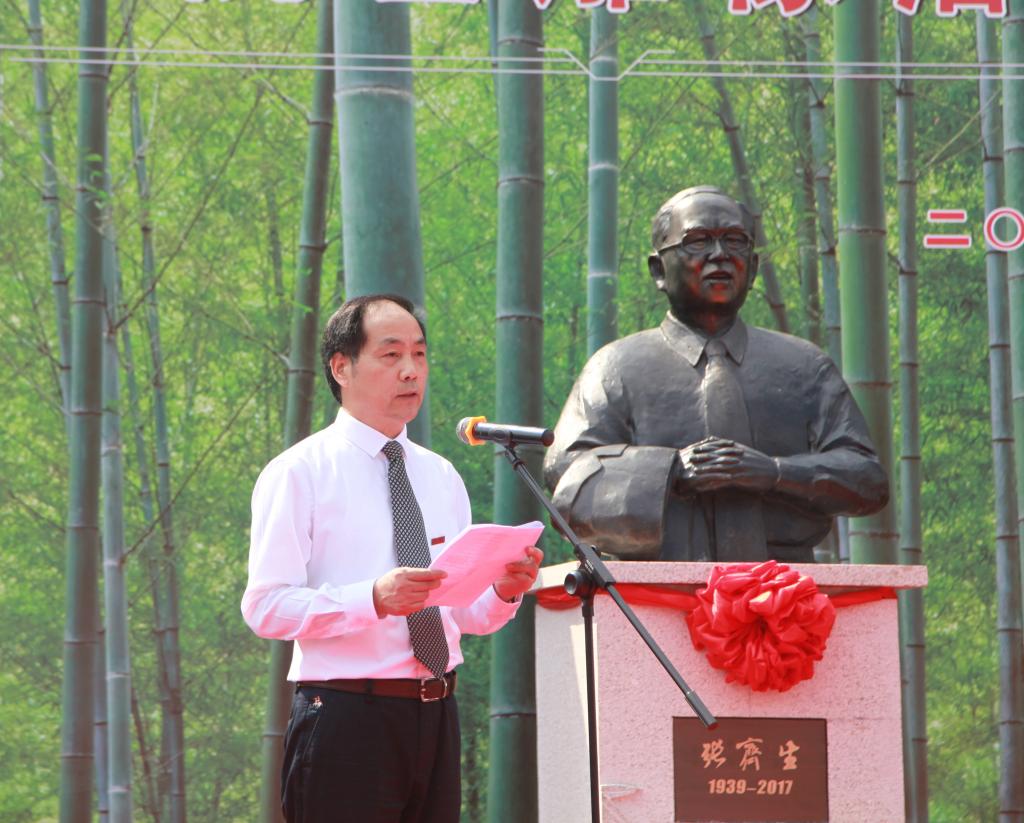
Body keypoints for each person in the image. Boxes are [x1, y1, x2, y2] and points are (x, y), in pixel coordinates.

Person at [242, 294, 543, 823]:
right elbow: (265, 607)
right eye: (391, 355)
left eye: (419, 354)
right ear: (342, 367)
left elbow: (460, 614)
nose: (411, 370)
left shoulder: (440, 475)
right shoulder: (299, 472)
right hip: (345, 720)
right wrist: (373, 599)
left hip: (436, 713)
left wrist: (503, 590)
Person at [543, 186, 888, 563]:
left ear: (752, 267)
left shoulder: (805, 367)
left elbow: (867, 478)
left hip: (788, 581)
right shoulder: (615, 367)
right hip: (649, 579)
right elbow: (565, 471)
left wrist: (775, 471)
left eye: (735, 240)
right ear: (659, 270)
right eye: (698, 241)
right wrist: (669, 470)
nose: (720, 254)